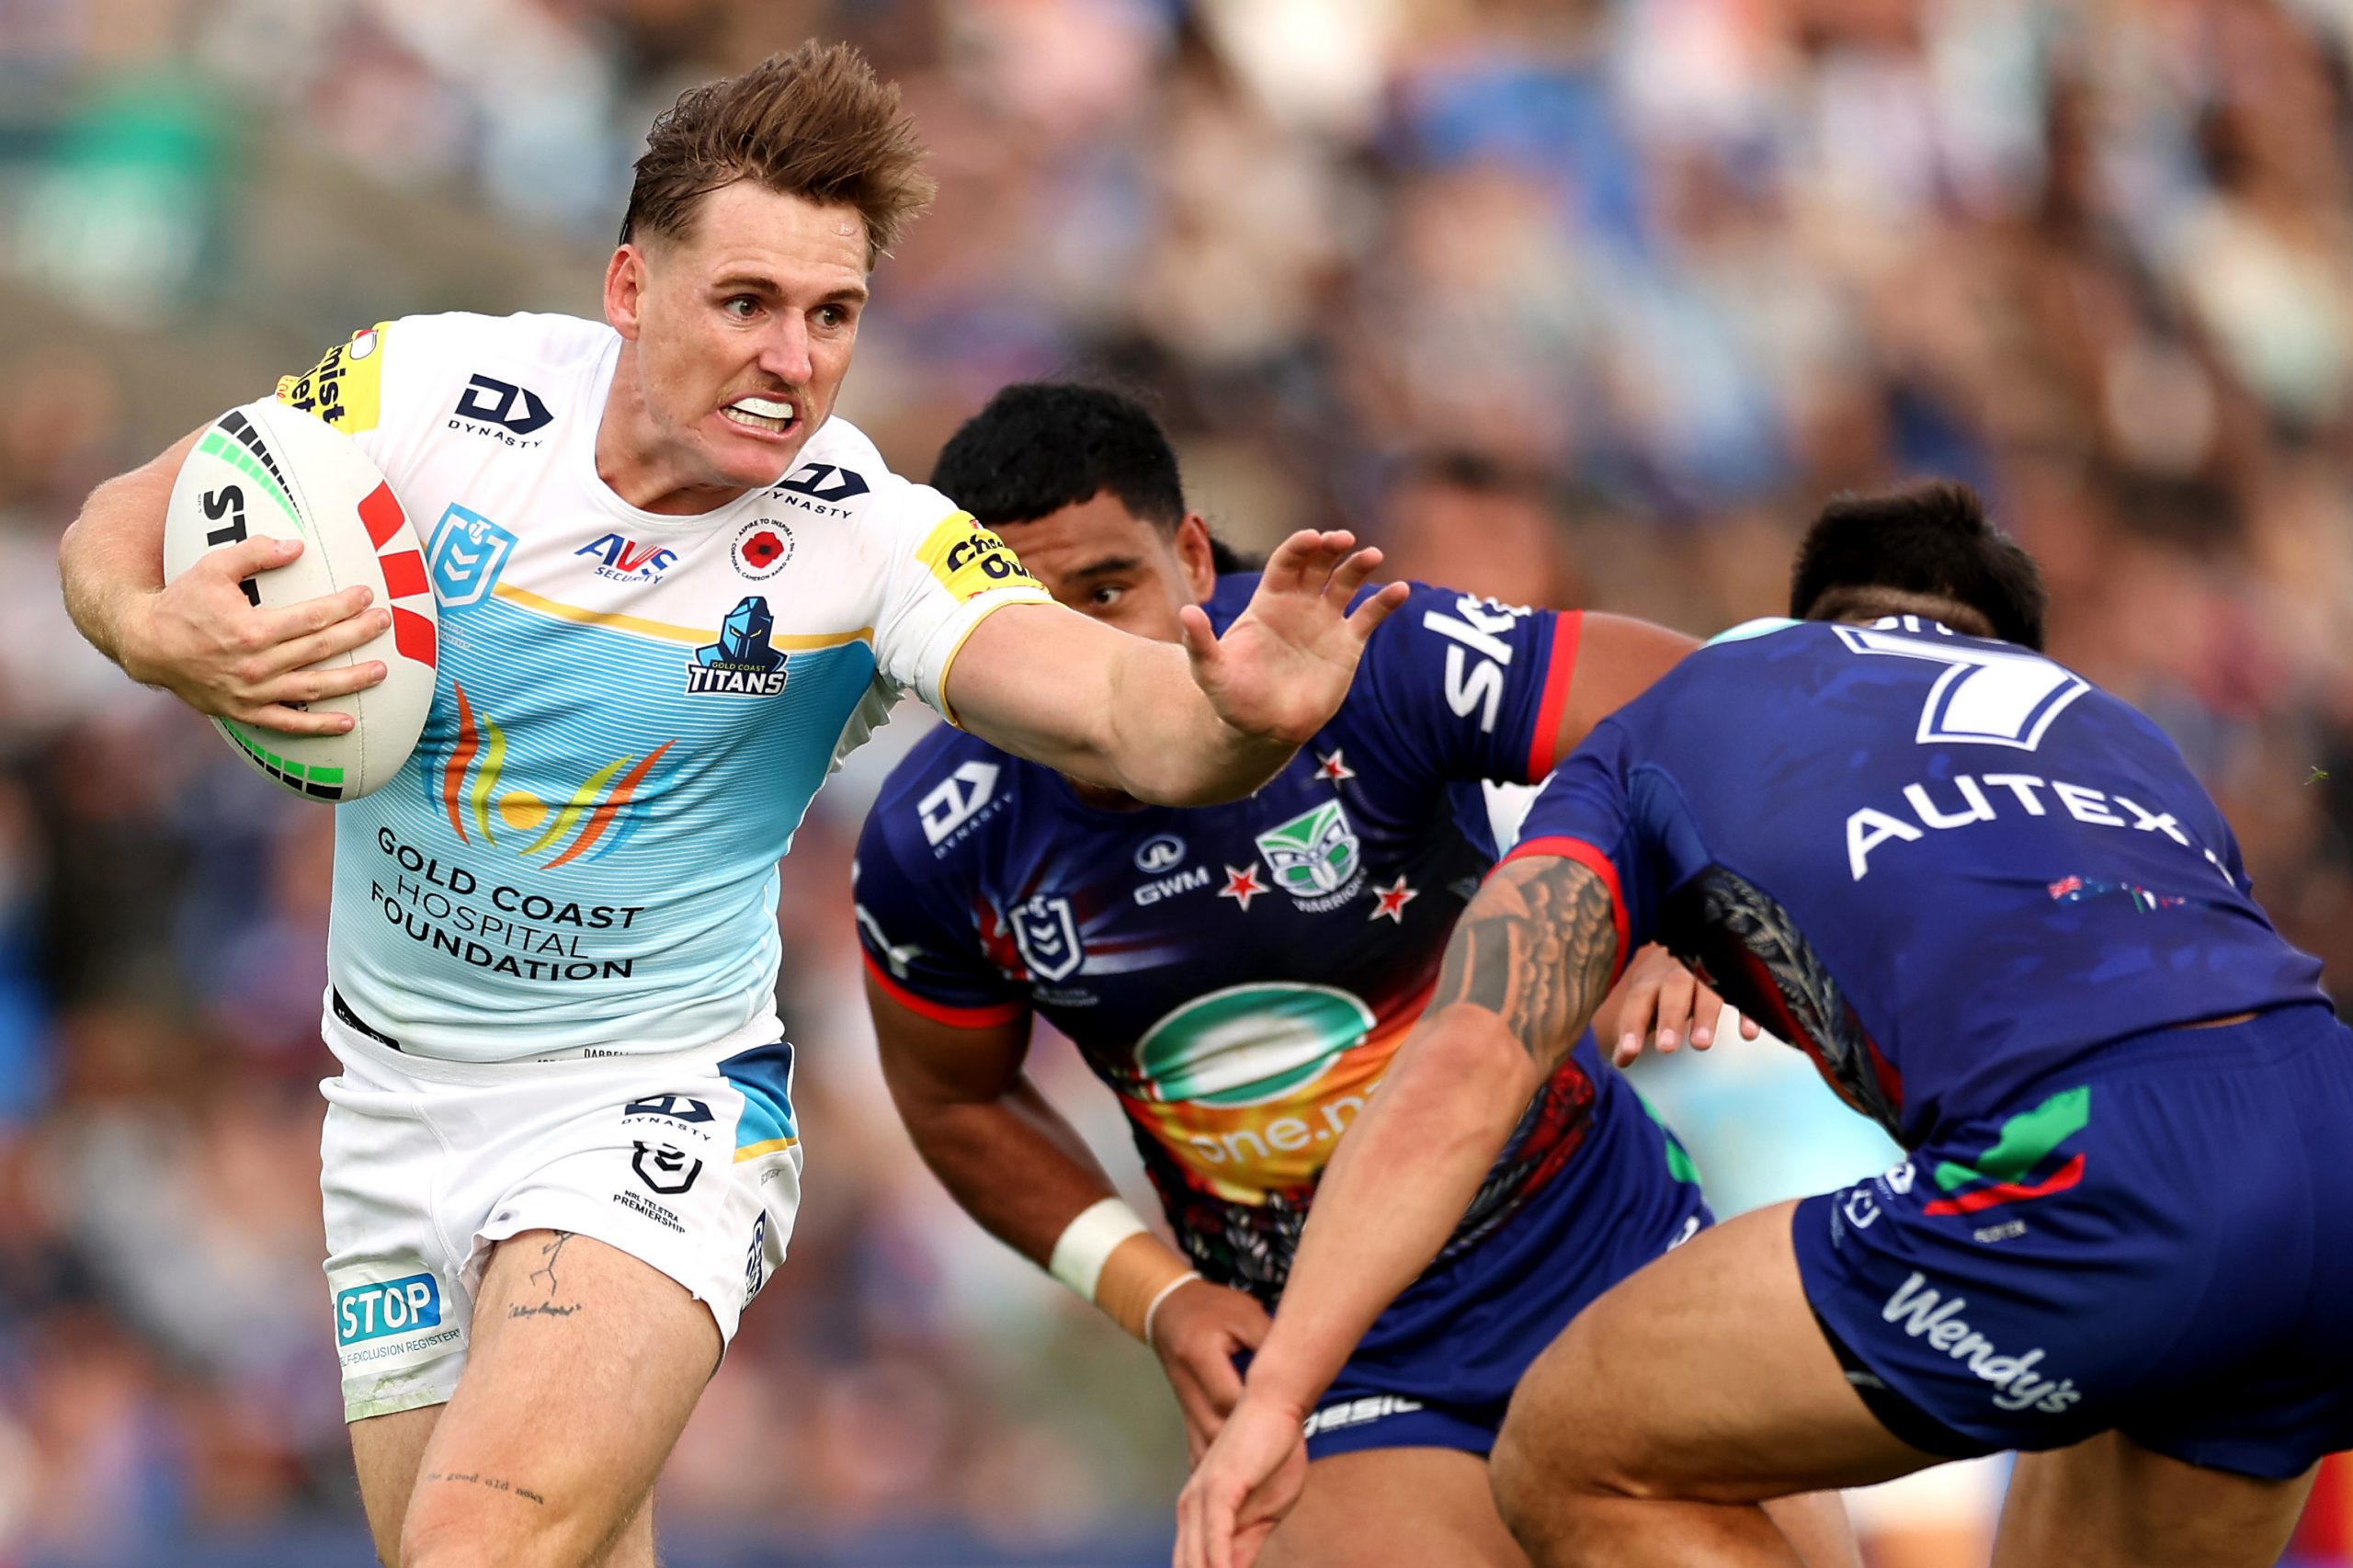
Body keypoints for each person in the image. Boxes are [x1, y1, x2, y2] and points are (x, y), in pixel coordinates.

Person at [56, 45, 1406, 1568]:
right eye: (747, 303)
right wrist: (151, 631)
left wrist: (1236, 715)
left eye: (833, 315)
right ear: (632, 288)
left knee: (473, 1552)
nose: (792, 358)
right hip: (388, 1109)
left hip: (648, 1109)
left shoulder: (875, 543)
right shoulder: (426, 391)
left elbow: (1118, 710)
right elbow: (127, 516)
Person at [1177, 481, 2353, 1568]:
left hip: (2093, 1168)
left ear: (1796, 631)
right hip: (2326, 1147)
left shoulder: (1688, 712)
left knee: (1571, 1448)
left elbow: (1473, 1052)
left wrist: (1279, 1396)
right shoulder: (2125, 734)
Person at [852, 383, 1855, 1567]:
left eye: (1108, 590)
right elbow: (955, 1100)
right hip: (1330, 1360)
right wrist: (1152, 1294)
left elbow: (1709, 706)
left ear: (1188, 555)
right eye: (1026, 610)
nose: (1079, 647)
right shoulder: (938, 842)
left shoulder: (1359, 654)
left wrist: (1675, 913)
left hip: (1610, 1252)